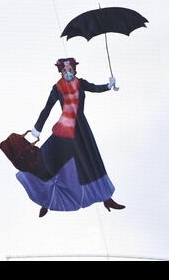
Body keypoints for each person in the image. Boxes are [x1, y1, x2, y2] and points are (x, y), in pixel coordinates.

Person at [16, 58, 125, 217]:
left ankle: (106, 197)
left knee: (91, 160)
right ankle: (46, 201)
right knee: (49, 157)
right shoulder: (57, 88)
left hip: (81, 127)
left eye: (70, 70)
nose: (67, 72)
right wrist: (37, 128)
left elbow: (95, 88)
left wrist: (109, 85)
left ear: (75, 70)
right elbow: (47, 109)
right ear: (60, 71)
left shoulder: (81, 83)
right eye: (64, 70)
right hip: (65, 127)